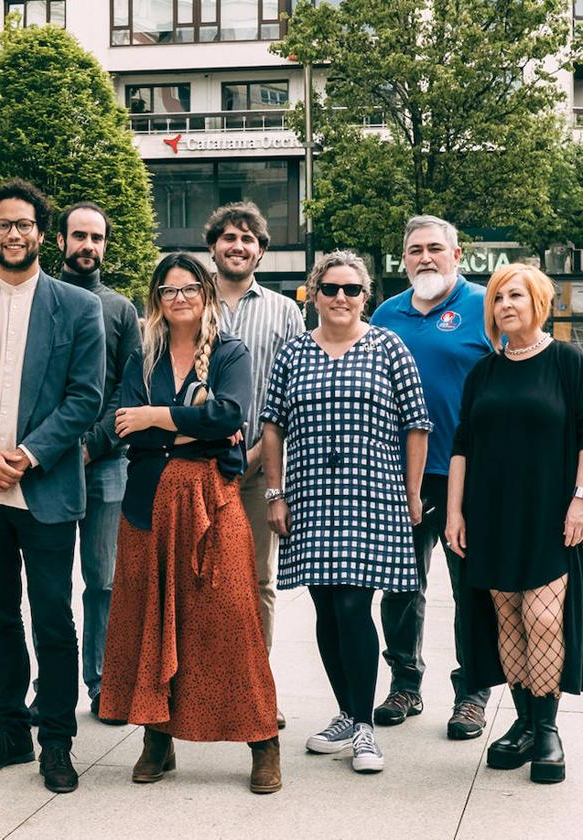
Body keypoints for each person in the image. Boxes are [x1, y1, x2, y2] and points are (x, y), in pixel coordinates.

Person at [0, 179, 105, 794]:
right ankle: (11, 732)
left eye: (25, 224)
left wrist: (28, 456)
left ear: (42, 234)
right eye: (3, 224)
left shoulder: (77, 308)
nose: (14, 233)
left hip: (47, 491)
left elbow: (85, 398)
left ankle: (56, 743)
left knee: (54, 620)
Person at [99, 253, 281, 793]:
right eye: (168, 290)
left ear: (205, 294)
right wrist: (187, 429)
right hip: (147, 505)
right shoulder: (144, 355)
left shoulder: (230, 351)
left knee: (229, 623)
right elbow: (121, 426)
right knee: (150, 619)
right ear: (157, 299)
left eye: (189, 289)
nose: (180, 298)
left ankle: (263, 740)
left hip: (211, 501)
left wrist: (156, 417)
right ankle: (158, 737)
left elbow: (229, 416)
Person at [261, 251, 430, 774]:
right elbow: (272, 426)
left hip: (371, 496)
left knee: (355, 607)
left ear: (366, 295)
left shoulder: (388, 347)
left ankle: (364, 728)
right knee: (327, 611)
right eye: (330, 288)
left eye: (352, 289)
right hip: (310, 498)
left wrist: (411, 493)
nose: (340, 297)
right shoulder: (293, 353)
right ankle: (346, 712)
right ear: (313, 293)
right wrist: (275, 492)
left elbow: (416, 425)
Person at [446, 264, 583, 785]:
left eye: (516, 296)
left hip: (549, 512)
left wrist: (580, 500)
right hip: (490, 512)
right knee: (509, 620)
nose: (505, 304)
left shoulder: (568, 361)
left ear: (539, 302)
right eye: (498, 298)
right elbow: (463, 445)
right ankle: (523, 725)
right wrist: (455, 512)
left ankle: (547, 730)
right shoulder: (483, 372)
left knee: (544, 619)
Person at [370, 215, 493, 738]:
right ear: (404, 259)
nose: (425, 257)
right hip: (397, 476)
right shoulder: (385, 313)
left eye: (435, 248)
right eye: (415, 249)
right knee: (400, 586)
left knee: (472, 589)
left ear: (457, 254)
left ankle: (472, 692)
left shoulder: (485, 305)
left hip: (468, 476)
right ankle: (405, 682)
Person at [205, 201, 304, 729]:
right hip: (198, 464)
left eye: (248, 238)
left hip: (261, 465)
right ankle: (202, 684)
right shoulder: (191, 299)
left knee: (257, 581)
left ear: (261, 251)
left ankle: (256, 689)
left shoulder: (285, 312)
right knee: (200, 578)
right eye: (228, 237)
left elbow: (292, 393)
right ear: (213, 246)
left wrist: (269, 458)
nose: (238, 246)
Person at [55, 202, 140, 723]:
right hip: (48, 463)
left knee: (103, 580)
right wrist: (57, 446)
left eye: (97, 238)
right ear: (60, 241)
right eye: (79, 236)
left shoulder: (122, 309)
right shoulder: (45, 300)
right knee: (50, 580)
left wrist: (92, 444)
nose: (88, 246)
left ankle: (102, 681)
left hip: (107, 463)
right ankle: (54, 679)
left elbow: (129, 388)